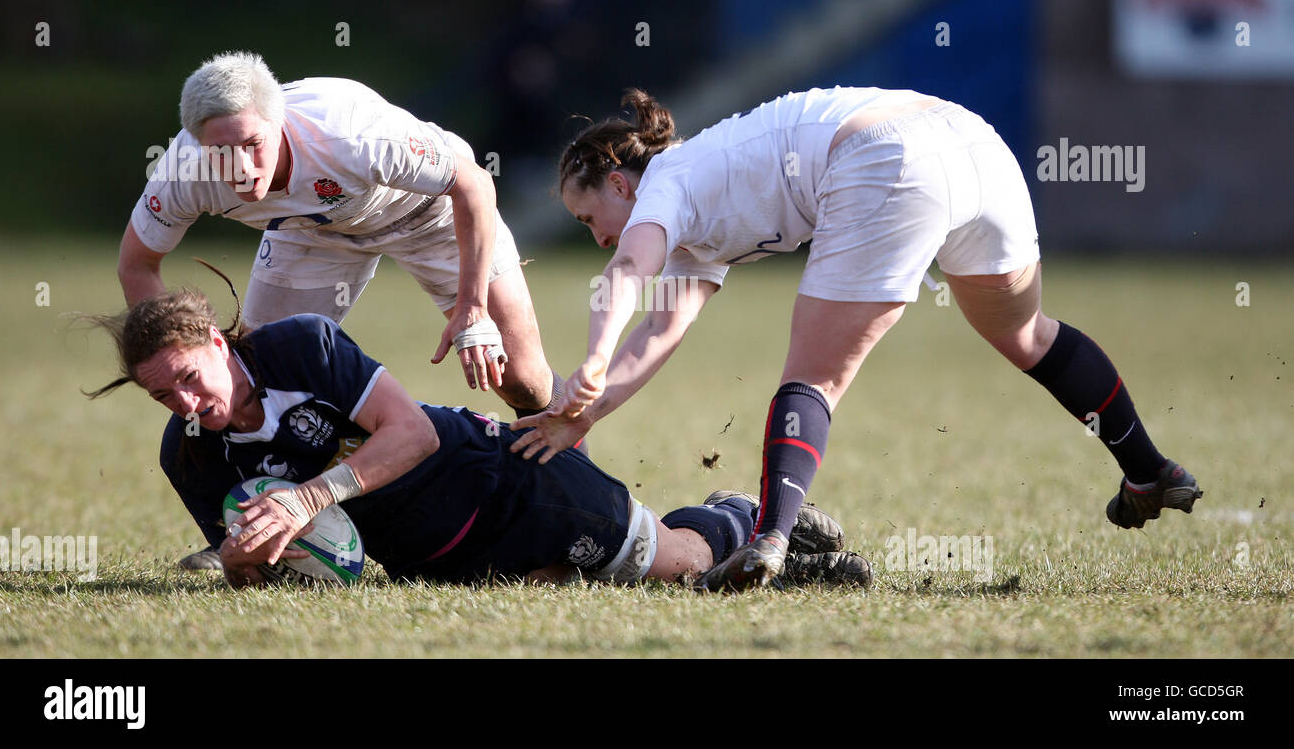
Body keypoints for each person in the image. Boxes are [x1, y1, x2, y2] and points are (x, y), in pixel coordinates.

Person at [509, 87, 1204, 591]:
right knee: (1025, 332)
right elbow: (659, 331)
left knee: (813, 378)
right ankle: (1148, 470)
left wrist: (592, 360)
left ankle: (769, 541)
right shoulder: (697, 218)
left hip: (888, 158)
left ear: (621, 184)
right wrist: (586, 413)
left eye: (586, 214)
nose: (595, 233)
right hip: (971, 141)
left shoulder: (667, 181)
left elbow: (629, 268)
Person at [82, 287, 872, 589]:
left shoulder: (298, 347)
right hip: (431, 555)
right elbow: (245, 565)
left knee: (675, 568)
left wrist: (314, 494)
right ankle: (748, 540)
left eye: (190, 376)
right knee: (550, 591)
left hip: (499, 475)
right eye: (163, 395)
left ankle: (737, 514)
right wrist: (248, 553)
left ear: (219, 345)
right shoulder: (186, 452)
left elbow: (414, 434)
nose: (187, 402)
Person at [121, 51, 571, 570]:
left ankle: (572, 495)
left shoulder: (349, 134)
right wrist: (181, 357)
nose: (239, 169)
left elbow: (474, 185)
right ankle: (247, 521)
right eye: (221, 153)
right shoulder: (183, 168)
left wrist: (473, 311)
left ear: (278, 122)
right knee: (250, 379)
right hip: (311, 233)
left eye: (252, 146)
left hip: (430, 213)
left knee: (520, 378)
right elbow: (137, 263)